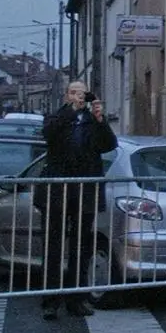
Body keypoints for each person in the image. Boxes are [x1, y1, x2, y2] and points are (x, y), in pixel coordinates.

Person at [39, 81, 117, 320]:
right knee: (53, 247)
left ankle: (76, 299)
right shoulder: (56, 117)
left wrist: (100, 119)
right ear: (67, 95)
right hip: (57, 191)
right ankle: (51, 301)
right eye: (74, 92)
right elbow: (49, 135)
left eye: (82, 93)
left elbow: (109, 145)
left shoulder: (94, 121)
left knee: (81, 247)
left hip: (84, 191)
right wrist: (71, 111)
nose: (79, 97)